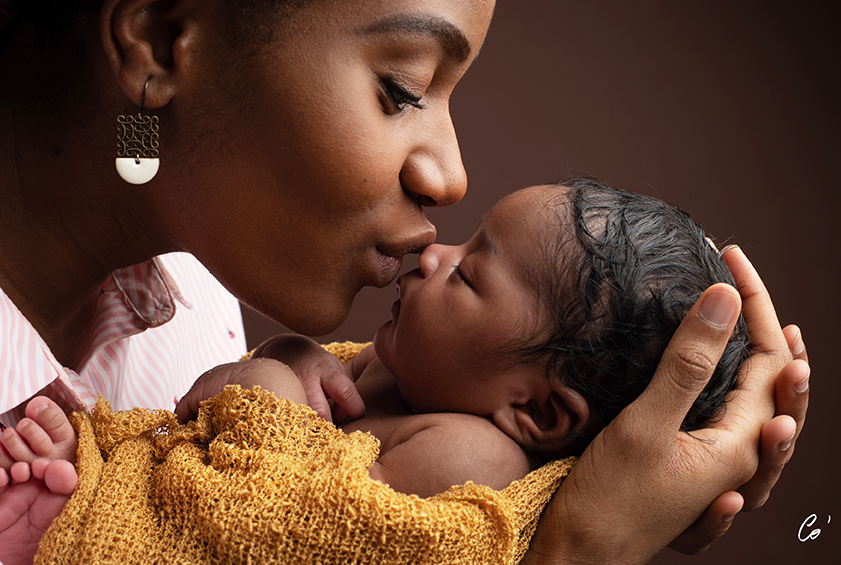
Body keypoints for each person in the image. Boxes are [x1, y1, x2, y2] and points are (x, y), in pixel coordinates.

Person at [0, 1, 809, 564]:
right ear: (157, 39)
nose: (450, 176)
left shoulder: (196, 307)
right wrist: (573, 553)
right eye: (403, 90)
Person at [4, 179, 755, 497]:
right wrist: (289, 355)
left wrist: (266, 384)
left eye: (468, 274)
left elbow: (288, 521)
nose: (432, 253)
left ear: (539, 412)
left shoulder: (472, 459)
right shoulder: (398, 378)